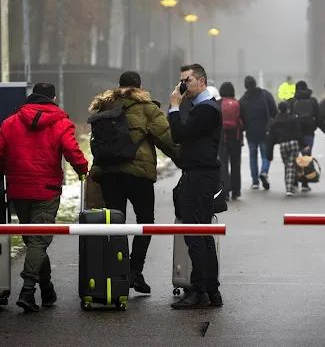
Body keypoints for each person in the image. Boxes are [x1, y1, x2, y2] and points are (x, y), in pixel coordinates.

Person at [0, 82, 89, 312]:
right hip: (47, 189)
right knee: (38, 240)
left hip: (19, 188)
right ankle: (27, 290)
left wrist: (3, 169)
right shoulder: (61, 123)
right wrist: (83, 169)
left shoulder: (11, 121)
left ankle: (46, 288)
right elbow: (72, 150)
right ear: (53, 98)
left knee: (34, 240)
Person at [87, 71, 179, 294]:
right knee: (145, 221)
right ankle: (135, 271)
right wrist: (185, 162)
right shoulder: (147, 109)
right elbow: (166, 140)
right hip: (138, 174)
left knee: (116, 222)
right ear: (140, 87)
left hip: (108, 173)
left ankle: (117, 272)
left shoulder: (104, 108)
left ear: (118, 86)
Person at [167, 63, 223, 309]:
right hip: (197, 174)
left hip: (200, 177)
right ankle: (211, 290)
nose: (183, 86)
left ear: (201, 81)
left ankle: (200, 290)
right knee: (202, 233)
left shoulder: (207, 109)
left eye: (187, 81)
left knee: (195, 235)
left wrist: (175, 107)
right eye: (181, 81)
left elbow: (179, 134)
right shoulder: (201, 107)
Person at [239, 75, 278, 190]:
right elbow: (274, 112)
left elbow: (240, 117)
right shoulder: (265, 95)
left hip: (251, 132)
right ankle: (264, 171)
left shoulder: (243, 99)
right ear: (255, 83)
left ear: (245, 86)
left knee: (253, 156)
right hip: (265, 130)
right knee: (265, 154)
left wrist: (244, 128)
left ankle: (255, 181)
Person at [267, 102, 308, 196]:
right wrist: (304, 145)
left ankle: (290, 184)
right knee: (291, 165)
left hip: (283, 145)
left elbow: (271, 138)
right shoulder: (293, 118)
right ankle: (289, 188)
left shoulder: (276, 121)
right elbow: (298, 133)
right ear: (288, 109)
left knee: (287, 165)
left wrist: (269, 154)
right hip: (293, 143)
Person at [288, 80, 320, 191]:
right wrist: (314, 127)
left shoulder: (292, 101)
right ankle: (305, 183)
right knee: (306, 157)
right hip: (309, 132)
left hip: (295, 133)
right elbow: (318, 116)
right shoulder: (313, 100)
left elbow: (289, 118)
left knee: (295, 157)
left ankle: (295, 181)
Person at [218, 81, 243, 201]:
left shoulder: (218, 103)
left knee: (223, 164)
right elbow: (243, 121)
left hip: (222, 138)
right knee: (235, 164)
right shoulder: (238, 103)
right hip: (236, 138)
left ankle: (225, 190)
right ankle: (236, 190)